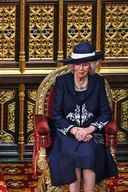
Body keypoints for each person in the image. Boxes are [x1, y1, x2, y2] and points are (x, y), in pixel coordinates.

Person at [48, 42, 118, 192]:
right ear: (72, 66)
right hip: (67, 133)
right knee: (71, 155)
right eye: (78, 65)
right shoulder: (62, 82)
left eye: (86, 65)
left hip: (91, 134)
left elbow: (106, 113)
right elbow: (56, 114)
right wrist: (74, 130)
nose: (82, 69)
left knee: (89, 153)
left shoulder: (98, 82)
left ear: (91, 66)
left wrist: (88, 130)